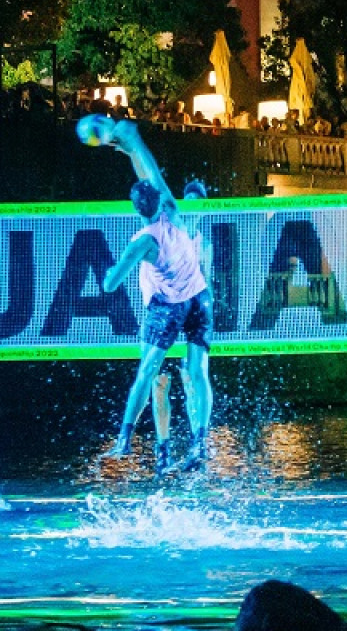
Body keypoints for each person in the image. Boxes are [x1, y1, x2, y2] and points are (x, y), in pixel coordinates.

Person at [90, 117, 214, 470]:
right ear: (160, 202)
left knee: (147, 374)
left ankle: (125, 440)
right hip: (199, 299)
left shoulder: (142, 243)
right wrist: (132, 143)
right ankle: (198, 444)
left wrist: (110, 268)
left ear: (136, 210)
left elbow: (110, 284)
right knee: (196, 372)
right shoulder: (174, 214)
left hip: (169, 307)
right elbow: (151, 174)